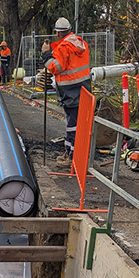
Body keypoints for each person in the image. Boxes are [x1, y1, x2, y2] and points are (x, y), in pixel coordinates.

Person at [41, 17, 91, 166]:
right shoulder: (82, 44)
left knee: (73, 125)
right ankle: (70, 153)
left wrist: (45, 54)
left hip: (70, 91)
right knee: (77, 123)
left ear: (57, 33)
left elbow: (55, 67)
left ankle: (73, 158)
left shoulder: (64, 48)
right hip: (83, 89)